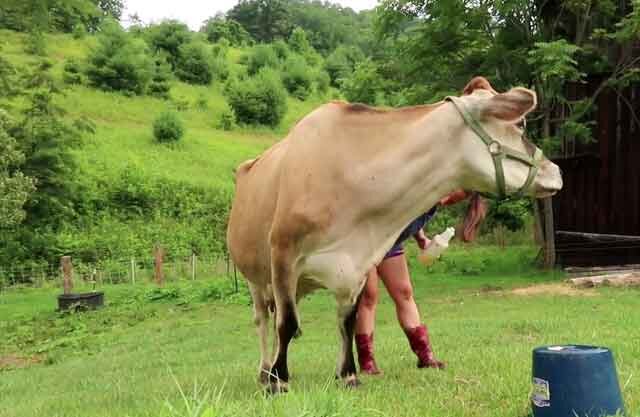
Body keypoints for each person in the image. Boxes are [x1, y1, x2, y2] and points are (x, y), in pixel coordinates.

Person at [355, 190, 486, 374]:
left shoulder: (434, 201)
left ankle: (426, 356)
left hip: (390, 243)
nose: (451, 199)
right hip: (366, 241)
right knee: (369, 296)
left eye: (459, 199)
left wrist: (422, 239)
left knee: (404, 292)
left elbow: (411, 218)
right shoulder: (423, 185)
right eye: (455, 194)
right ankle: (367, 363)